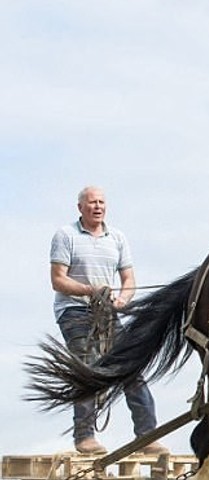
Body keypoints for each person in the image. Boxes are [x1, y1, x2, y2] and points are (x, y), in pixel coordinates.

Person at [49, 186, 167, 456]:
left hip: (108, 312)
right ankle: (85, 436)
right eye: (92, 202)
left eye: (101, 202)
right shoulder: (65, 235)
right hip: (74, 311)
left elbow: (128, 280)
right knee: (89, 367)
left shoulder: (117, 238)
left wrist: (123, 299)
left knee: (130, 367)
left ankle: (147, 435)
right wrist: (91, 290)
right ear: (81, 207)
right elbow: (58, 280)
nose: (97, 206)